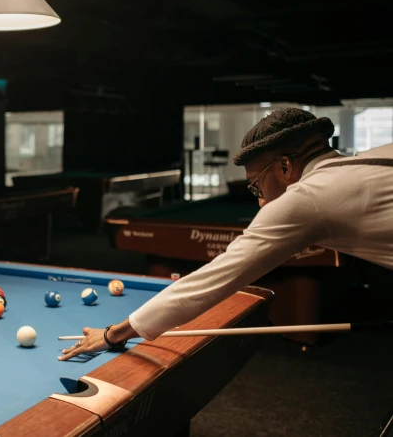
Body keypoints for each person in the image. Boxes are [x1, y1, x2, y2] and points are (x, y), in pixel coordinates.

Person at [60, 108, 393, 360]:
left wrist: (114, 333)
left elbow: (210, 282)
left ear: (286, 167)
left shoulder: (307, 197)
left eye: (256, 184)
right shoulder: (374, 158)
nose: (260, 199)